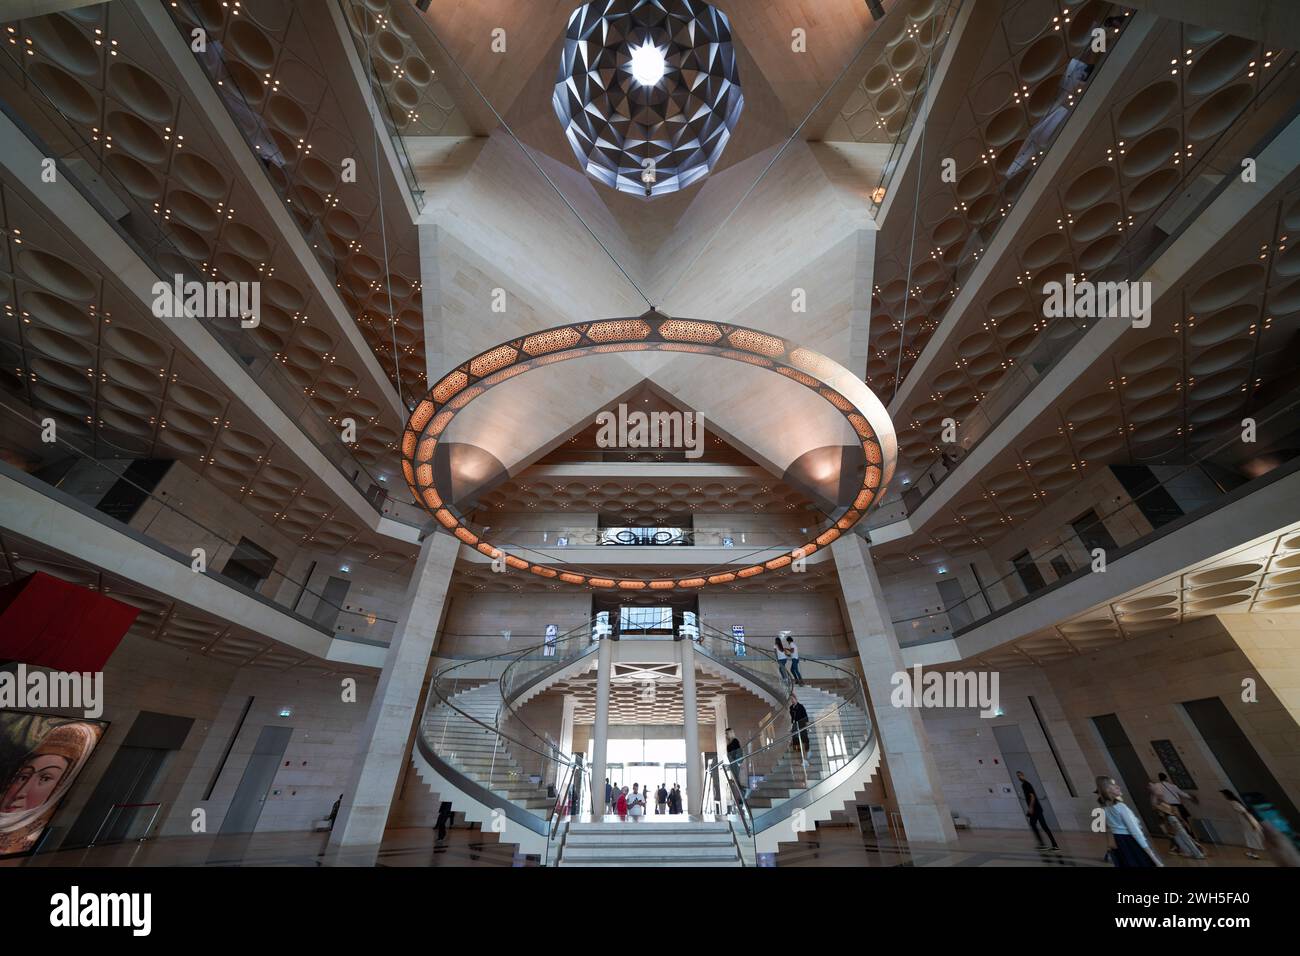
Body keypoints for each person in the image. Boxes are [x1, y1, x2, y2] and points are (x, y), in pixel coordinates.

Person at [1097, 776, 1162, 867]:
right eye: (1113, 784)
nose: (1118, 787)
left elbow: (1108, 828)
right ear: (1107, 789)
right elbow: (1135, 832)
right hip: (1131, 842)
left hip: (1119, 841)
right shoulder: (1121, 807)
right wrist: (1153, 857)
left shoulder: (1104, 808)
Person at [1149, 785, 1204, 860]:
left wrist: (1153, 793)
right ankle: (1189, 852)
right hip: (1171, 821)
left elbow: (1154, 805)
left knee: (1182, 837)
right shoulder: (1165, 804)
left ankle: (1197, 853)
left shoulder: (1161, 803)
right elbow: (1174, 813)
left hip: (1171, 820)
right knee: (1179, 837)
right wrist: (1184, 822)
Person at [1016, 771, 1059, 850]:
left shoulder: (1026, 784)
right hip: (1035, 810)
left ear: (1023, 775)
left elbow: (1032, 796)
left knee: (1043, 826)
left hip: (1036, 809)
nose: (1019, 777)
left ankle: (1054, 845)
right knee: (1033, 824)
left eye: (1020, 775)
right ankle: (1044, 844)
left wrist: (1031, 808)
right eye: (1017, 776)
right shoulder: (1024, 785)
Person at [1221, 790, 1265, 860]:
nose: (1223, 797)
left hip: (1248, 822)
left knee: (1252, 837)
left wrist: (1252, 823)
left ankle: (1255, 854)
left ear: (1227, 795)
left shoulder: (1234, 803)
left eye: (1224, 795)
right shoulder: (1234, 802)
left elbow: (1244, 813)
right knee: (1249, 837)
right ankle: (1252, 853)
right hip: (1247, 822)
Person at [789, 692, 811, 769]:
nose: (792, 700)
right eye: (790, 699)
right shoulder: (791, 708)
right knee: (796, 742)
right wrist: (792, 726)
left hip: (802, 725)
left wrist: (807, 726)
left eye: (793, 699)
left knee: (805, 741)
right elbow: (792, 719)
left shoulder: (801, 706)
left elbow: (805, 716)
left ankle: (806, 757)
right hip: (795, 726)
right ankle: (800, 759)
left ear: (796, 699)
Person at [726, 727, 744, 792]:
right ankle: (741, 792)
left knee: (736, 778)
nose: (726, 735)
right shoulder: (729, 742)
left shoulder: (735, 741)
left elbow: (739, 751)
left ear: (730, 733)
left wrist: (739, 762)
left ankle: (742, 791)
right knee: (735, 778)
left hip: (735, 761)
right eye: (726, 734)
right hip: (732, 761)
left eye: (727, 733)